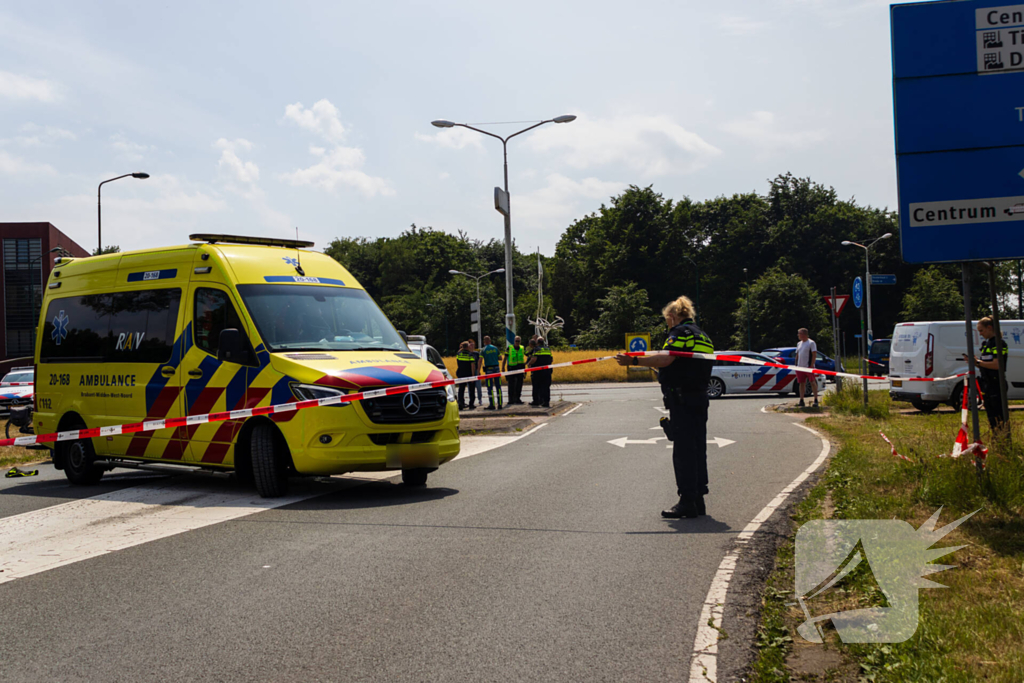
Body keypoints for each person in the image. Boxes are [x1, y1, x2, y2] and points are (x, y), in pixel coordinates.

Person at [616, 295, 713, 519]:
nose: (667, 324)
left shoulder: (679, 333)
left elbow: (666, 359)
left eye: (666, 320)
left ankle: (687, 501)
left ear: (672, 317)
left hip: (682, 400)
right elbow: (687, 365)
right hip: (699, 398)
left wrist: (634, 361)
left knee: (683, 451)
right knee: (698, 449)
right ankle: (698, 499)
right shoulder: (703, 335)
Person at [972, 317, 1009, 434]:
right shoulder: (987, 344)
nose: (980, 334)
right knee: (991, 418)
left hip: (996, 384)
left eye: (981, 330)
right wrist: (976, 362)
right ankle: (996, 439)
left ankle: (1003, 440)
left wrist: (978, 362)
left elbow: (997, 365)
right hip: (987, 383)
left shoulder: (998, 343)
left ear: (989, 328)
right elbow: (986, 365)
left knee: (999, 417)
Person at [795, 328, 819, 408]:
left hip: (808, 367)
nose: (798, 335)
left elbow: (814, 354)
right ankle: (801, 400)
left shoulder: (811, 343)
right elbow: (797, 355)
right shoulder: (799, 343)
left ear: (804, 334)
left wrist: (811, 365)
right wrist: (796, 365)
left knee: (812, 382)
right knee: (801, 383)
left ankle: (816, 399)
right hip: (800, 367)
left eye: (799, 333)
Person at [529, 336, 553, 408]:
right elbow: (551, 359)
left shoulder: (537, 349)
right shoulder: (548, 349)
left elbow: (534, 359)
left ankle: (536, 401)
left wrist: (529, 364)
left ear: (537, 342)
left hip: (538, 371)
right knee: (546, 387)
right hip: (547, 371)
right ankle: (546, 402)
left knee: (536, 386)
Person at [481, 335, 504, 410]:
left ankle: (492, 405)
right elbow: (500, 358)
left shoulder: (483, 350)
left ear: (484, 342)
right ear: (490, 341)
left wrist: (478, 370)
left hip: (489, 370)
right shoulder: (495, 348)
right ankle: (500, 404)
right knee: (498, 387)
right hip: (496, 369)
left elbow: (480, 360)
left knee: (489, 387)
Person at [504, 335, 527, 405]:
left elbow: (528, 355)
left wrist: (527, 363)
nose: (517, 342)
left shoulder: (522, 348)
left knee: (519, 384)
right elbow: (505, 357)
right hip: (511, 368)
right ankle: (511, 399)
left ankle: (517, 399)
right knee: (511, 384)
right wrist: (502, 367)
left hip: (520, 368)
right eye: (516, 341)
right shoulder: (509, 348)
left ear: (520, 341)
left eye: (518, 341)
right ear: (514, 341)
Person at [455, 341, 477, 410]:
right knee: (471, 389)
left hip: (461, 373)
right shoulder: (470, 355)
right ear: (467, 347)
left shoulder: (458, 354)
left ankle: (461, 403)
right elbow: (472, 365)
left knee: (461, 389)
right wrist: (473, 376)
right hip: (469, 374)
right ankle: (471, 404)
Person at [468, 339, 483, 406]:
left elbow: (479, 361)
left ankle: (480, 399)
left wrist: (478, 370)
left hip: (476, 371)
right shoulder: (467, 353)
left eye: (473, 344)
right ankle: (471, 401)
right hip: (469, 372)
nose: (472, 345)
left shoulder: (476, 353)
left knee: (478, 386)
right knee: (470, 388)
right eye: (470, 344)